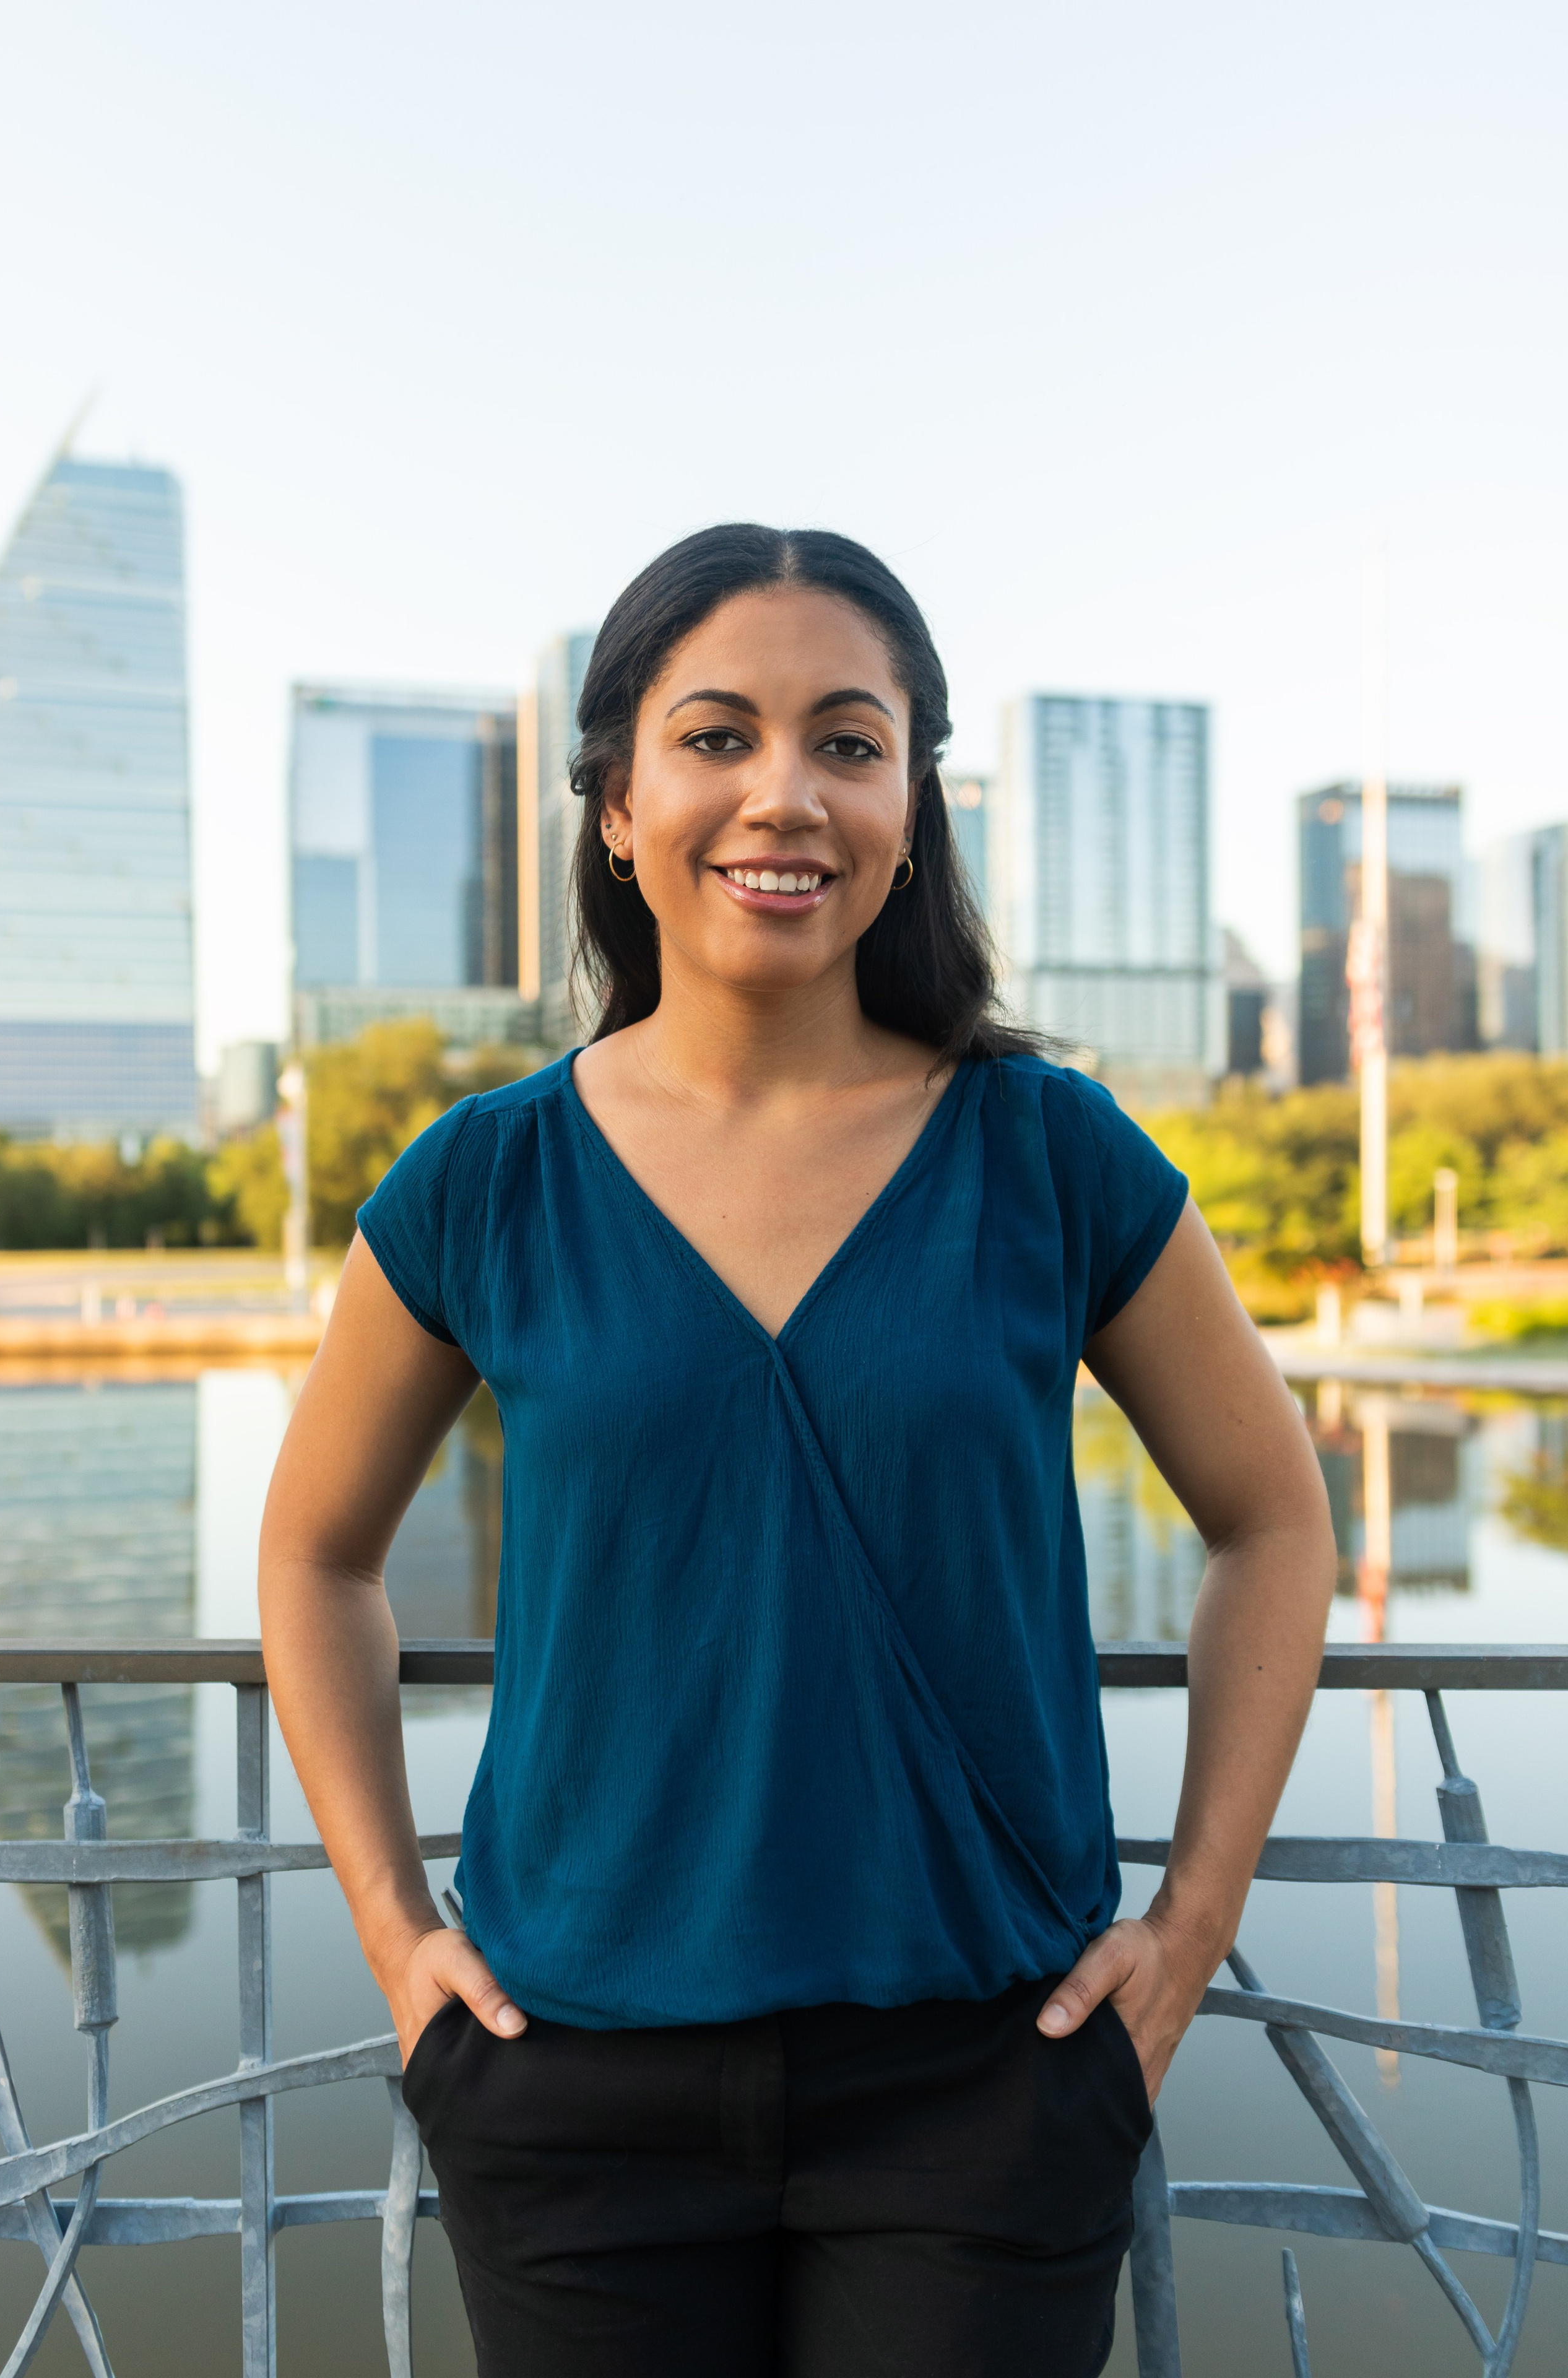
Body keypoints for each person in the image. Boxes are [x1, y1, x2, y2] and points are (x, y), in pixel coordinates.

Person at [259, 524, 1336, 2378]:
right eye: (716, 736)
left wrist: (1192, 1923)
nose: (787, 794)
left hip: (987, 2083)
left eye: (851, 740)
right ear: (612, 803)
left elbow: (1274, 1515)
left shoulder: (1051, 1154)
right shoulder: (486, 1179)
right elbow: (316, 1553)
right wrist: (394, 1933)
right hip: (571, 2085)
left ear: (914, 800)